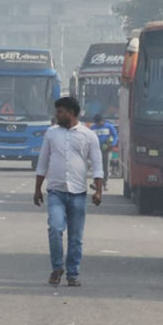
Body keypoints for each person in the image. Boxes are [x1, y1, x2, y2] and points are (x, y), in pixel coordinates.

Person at [34, 96, 104, 287]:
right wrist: (37, 189)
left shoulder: (88, 135)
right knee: (55, 229)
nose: (57, 115)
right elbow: (43, 162)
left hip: (78, 193)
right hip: (56, 191)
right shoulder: (51, 133)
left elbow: (97, 165)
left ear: (71, 113)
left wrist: (98, 191)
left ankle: (72, 273)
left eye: (61, 112)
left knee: (75, 237)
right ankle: (57, 267)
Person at [90, 114, 118, 191]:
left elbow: (115, 136)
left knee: (105, 167)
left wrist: (112, 145)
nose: (98, 124)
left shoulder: (109, 126)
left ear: (102, 121)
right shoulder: (92, 128)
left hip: (106, 150)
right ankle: (96, 183)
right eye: (96, 123)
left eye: (99, 122)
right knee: (97, 167)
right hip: (96, 150)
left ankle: (104, 184)